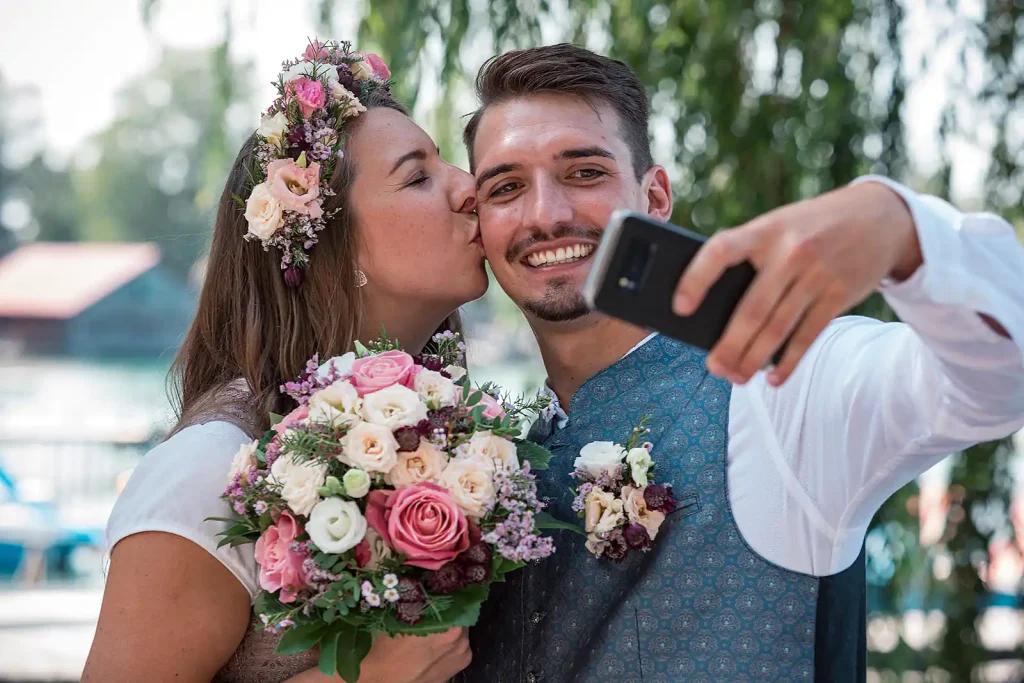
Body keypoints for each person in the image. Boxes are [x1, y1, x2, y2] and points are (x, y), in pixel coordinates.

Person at [461, 43, 1024, 682]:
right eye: (506, 187)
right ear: (478, 222)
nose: (545, 214)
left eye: (585, 172)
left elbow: (1001, 379)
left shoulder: (783, 388)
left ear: (655, 197)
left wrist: (900, 229)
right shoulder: (481, 458)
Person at [83, 41, 484, 683]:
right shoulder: (210, 468)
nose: (471, 187)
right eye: (419, 177)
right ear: (332, 247)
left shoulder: (454, 438)